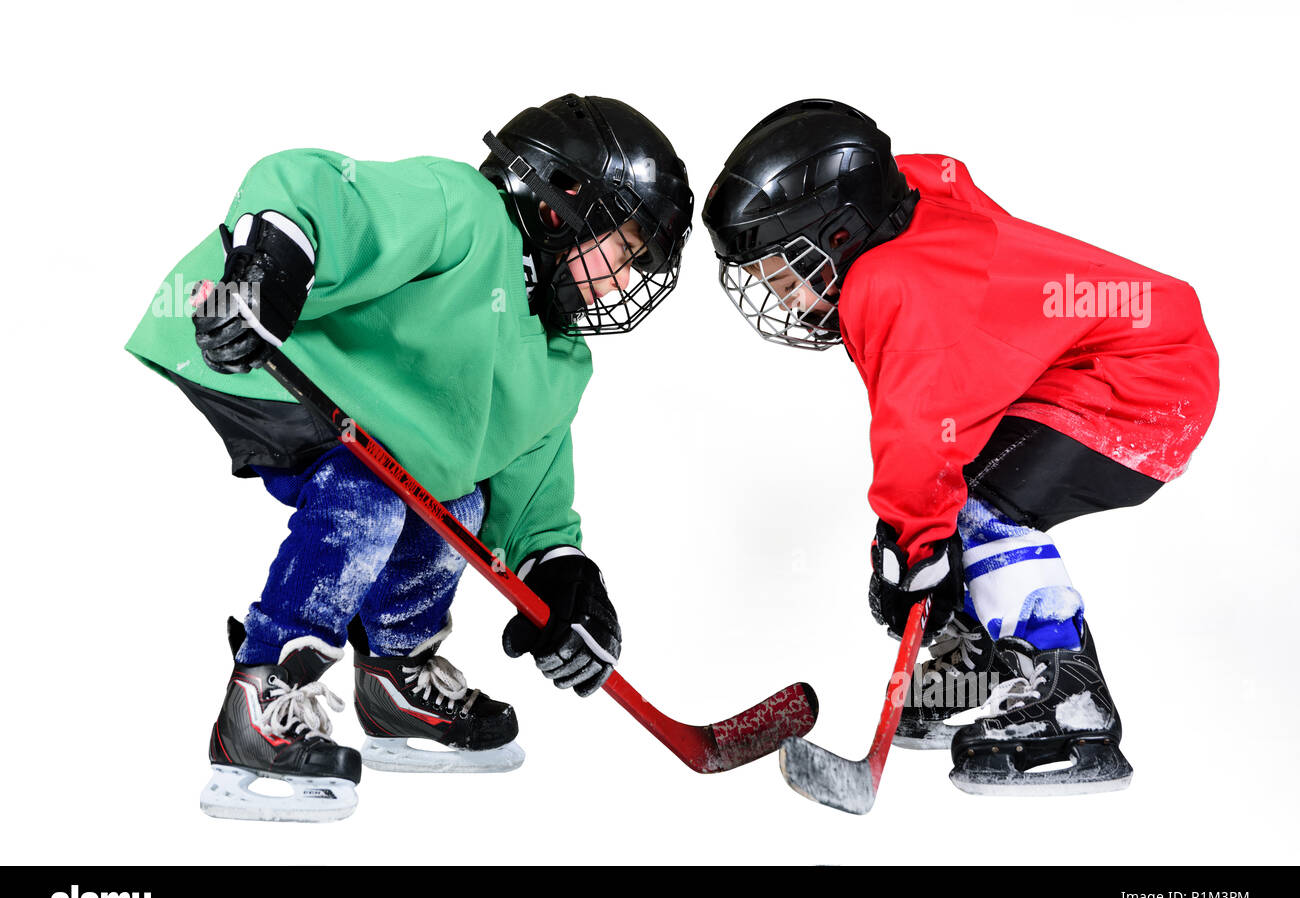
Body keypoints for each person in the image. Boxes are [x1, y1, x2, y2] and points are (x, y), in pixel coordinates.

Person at [126, 94, 693, 820]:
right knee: (371, 491)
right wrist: (264, 271)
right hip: (262, 342)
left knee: (455, 500)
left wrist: (566, 581)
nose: (622, 281)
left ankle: (396, 670)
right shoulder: (464, 209)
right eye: (623, 250)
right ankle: (259, 693)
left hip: (359, 413)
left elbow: (533, 502)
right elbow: (310, 184)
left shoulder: (556, 357)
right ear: (560, 203)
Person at [700, 99, 1217, 794]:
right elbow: (942, 415)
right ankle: (975, 672)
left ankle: (1065, 702)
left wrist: (910, 551)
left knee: (976, 508)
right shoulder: (911, 221)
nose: (789, 302)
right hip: (1125, 357)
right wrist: (918, 541)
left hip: (1144, 379)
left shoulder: (890, 283)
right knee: (957, 499)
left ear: (842, 231)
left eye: (790, 276)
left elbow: (919, 434)